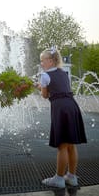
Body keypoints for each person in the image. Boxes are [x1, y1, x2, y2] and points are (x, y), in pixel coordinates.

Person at [37, 47, 87, 188]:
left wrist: (40, 87)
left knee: (62, 145)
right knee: (71, 144)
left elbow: (45, 95)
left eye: (43, 60)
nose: (41, 63)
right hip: (72, 106)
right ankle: (71, 176)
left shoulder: (45, 75)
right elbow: (61, 89)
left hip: (61, 109)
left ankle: (59, 179)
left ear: (51, 61)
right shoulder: (63, 73)